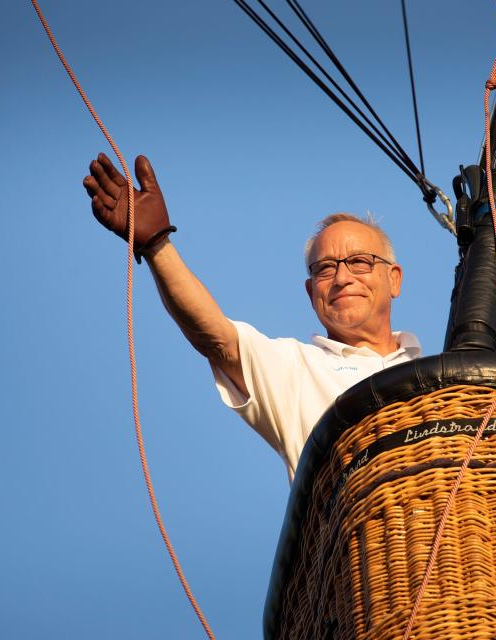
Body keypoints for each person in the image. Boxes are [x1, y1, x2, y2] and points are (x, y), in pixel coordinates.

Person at [83, 153, 421, 481]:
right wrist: (157, 244)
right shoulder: (296, 369)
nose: (343, 278)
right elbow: (218, 340)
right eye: (325, 268)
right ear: (310, 292)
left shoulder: (442, 371)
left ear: (394, 278)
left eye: (359, 261)